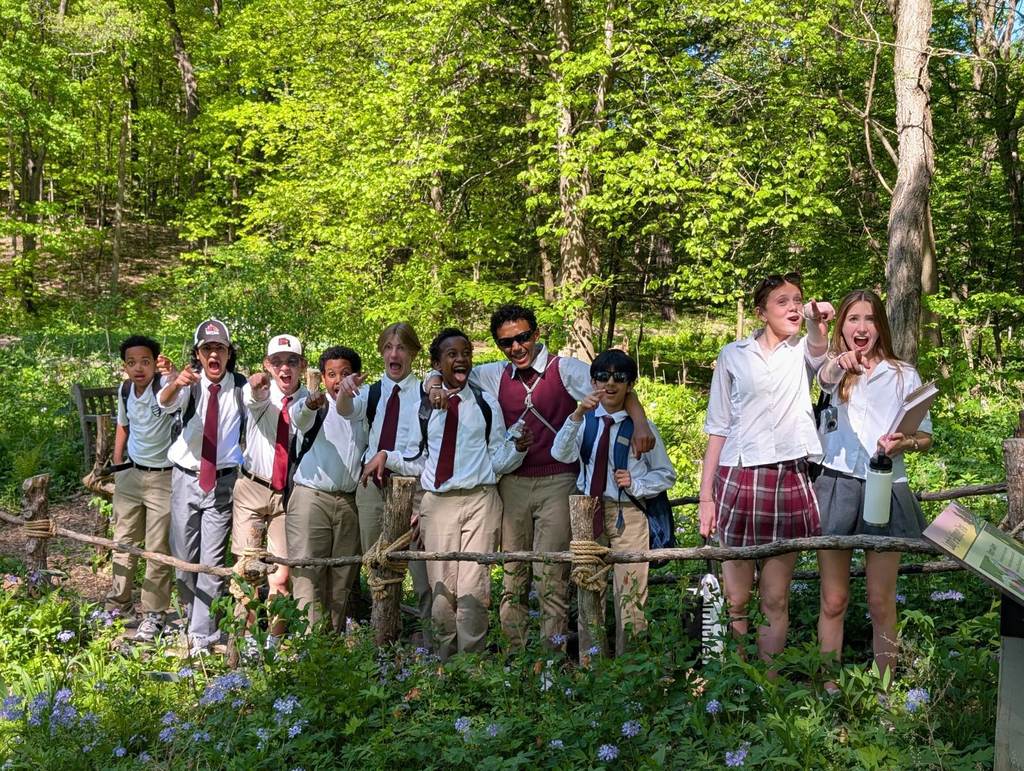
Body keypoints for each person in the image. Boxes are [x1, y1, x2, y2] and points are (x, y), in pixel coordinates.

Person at [424, 304, 654, 652]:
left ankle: (551, 657)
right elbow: (448, 372)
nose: (516, 347)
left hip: (558, 481)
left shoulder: (564, 370)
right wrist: (432, 382)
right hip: (512, 483)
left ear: (536, 333)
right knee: (514, 572)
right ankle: (517, 655)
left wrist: (639, 423)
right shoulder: (493, 375)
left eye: (522, 338)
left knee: (551, 574)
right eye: (506, 343)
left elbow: (616, 387)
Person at [362, 328, 531, 659]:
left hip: (480, 501)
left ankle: (471, 663)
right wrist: (385, 455)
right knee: (442, 590)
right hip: (438, 505)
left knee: (474, 588)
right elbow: (418, 458)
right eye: (452, 354)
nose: (461, 359)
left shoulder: (484, 403)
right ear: (437, 363)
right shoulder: (424, 407)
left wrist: (518, 450)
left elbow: (496, 457)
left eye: (466, 352)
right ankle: (444, 660)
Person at [698, 273, 833, 669]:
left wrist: (816, 317)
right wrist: (706, 497)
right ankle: (736, 679)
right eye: (782, 301)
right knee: (737, 598)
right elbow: (718, 428)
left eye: (797, 299)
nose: (792, 306)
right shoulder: (733, 355)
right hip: (738, 478)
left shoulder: (803, 350)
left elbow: (822, 356)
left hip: (788, 477)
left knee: (775, 597)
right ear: (761, 312)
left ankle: (768, 685)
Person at [814, 289, 932, 689]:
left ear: (880, 326)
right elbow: (822, 377)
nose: (861, 328)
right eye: (852, 319)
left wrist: (905, 442)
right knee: (833, 600)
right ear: (842, 327)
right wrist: (838, 365)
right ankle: (830, 689)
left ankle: (885, 690)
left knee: (881, 601)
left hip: (886, 486)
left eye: (869, 319)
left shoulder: (903, 374)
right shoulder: (832, 369)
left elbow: (925, 435)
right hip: (838, 485)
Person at [551, 349, 676, 655]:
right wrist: (578, 413)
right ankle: (591, 666)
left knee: (631, 594)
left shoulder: (642, 429)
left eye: (619, 378)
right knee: (589, 590)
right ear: (592, 382)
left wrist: (638, 484)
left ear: (630, 384)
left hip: (629, 514)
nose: (610, 383)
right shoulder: (585, 421)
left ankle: (629, 671)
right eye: (602, 377)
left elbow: (666, 474)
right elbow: (560, 453)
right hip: (589, 513)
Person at [336, 323, 431, 638]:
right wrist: (344, 391)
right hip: (373, 490)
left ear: (413, 353)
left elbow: (431, 451)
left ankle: (431, 643)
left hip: (413, 490)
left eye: (401, 347)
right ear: (381, 352)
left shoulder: (425, 393)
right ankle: (384, 640)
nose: (394, 354)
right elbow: (347, 410)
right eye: (388, 347)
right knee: (377, 566)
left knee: (422, 571)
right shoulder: (371, 391)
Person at [158, 318, 246, 655]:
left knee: (210, 562)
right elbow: (164, 403)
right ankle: (188, 619)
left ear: (228, 353)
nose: (214, 354)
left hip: (221, 481)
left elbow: (261, 400)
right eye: (207, 348)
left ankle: (201, 635)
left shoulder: (239, 387)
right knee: (184, 558)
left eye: (220, 348)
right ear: (197, 353)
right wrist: (176, 384)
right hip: (185, 477)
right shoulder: (188, 384)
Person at [232, 334, 308, 641]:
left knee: (281, 574)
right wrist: (258, 385)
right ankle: (246, 637)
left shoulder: (310, 401)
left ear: (302, 365)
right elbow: (256, 397)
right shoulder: (257, 394)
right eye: (276, 362)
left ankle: (275, 642)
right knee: (246, 569)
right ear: (267, 364)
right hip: (252, 486)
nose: (284, 369)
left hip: (287, 493)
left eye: (291, 362)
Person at [287, 347, 367, 631]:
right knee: (308, 574)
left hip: (349, 501)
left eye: (345, 373)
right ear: (322, 377)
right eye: (331, 374)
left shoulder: (365, 404)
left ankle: (331, 647)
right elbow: (298, 418)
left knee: (342, 577)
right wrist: (310, 404)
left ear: (356, 376)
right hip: (311, 498)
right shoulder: (312, 403)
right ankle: (309, 646)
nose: (337, 380)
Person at [105, 335, 177, 643]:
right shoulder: (125, 392)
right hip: (131, 476)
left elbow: (179, 396)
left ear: (155, 364)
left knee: (157, 548)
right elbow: (123, 425)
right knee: (123, 542)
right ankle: (118, 604)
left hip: (164, 477)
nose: (139, 369)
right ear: (125, 367)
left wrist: (171, 375)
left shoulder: (165, 389)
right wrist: (118, 460)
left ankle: (153, 613)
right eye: (132, 363)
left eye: (145, 362)